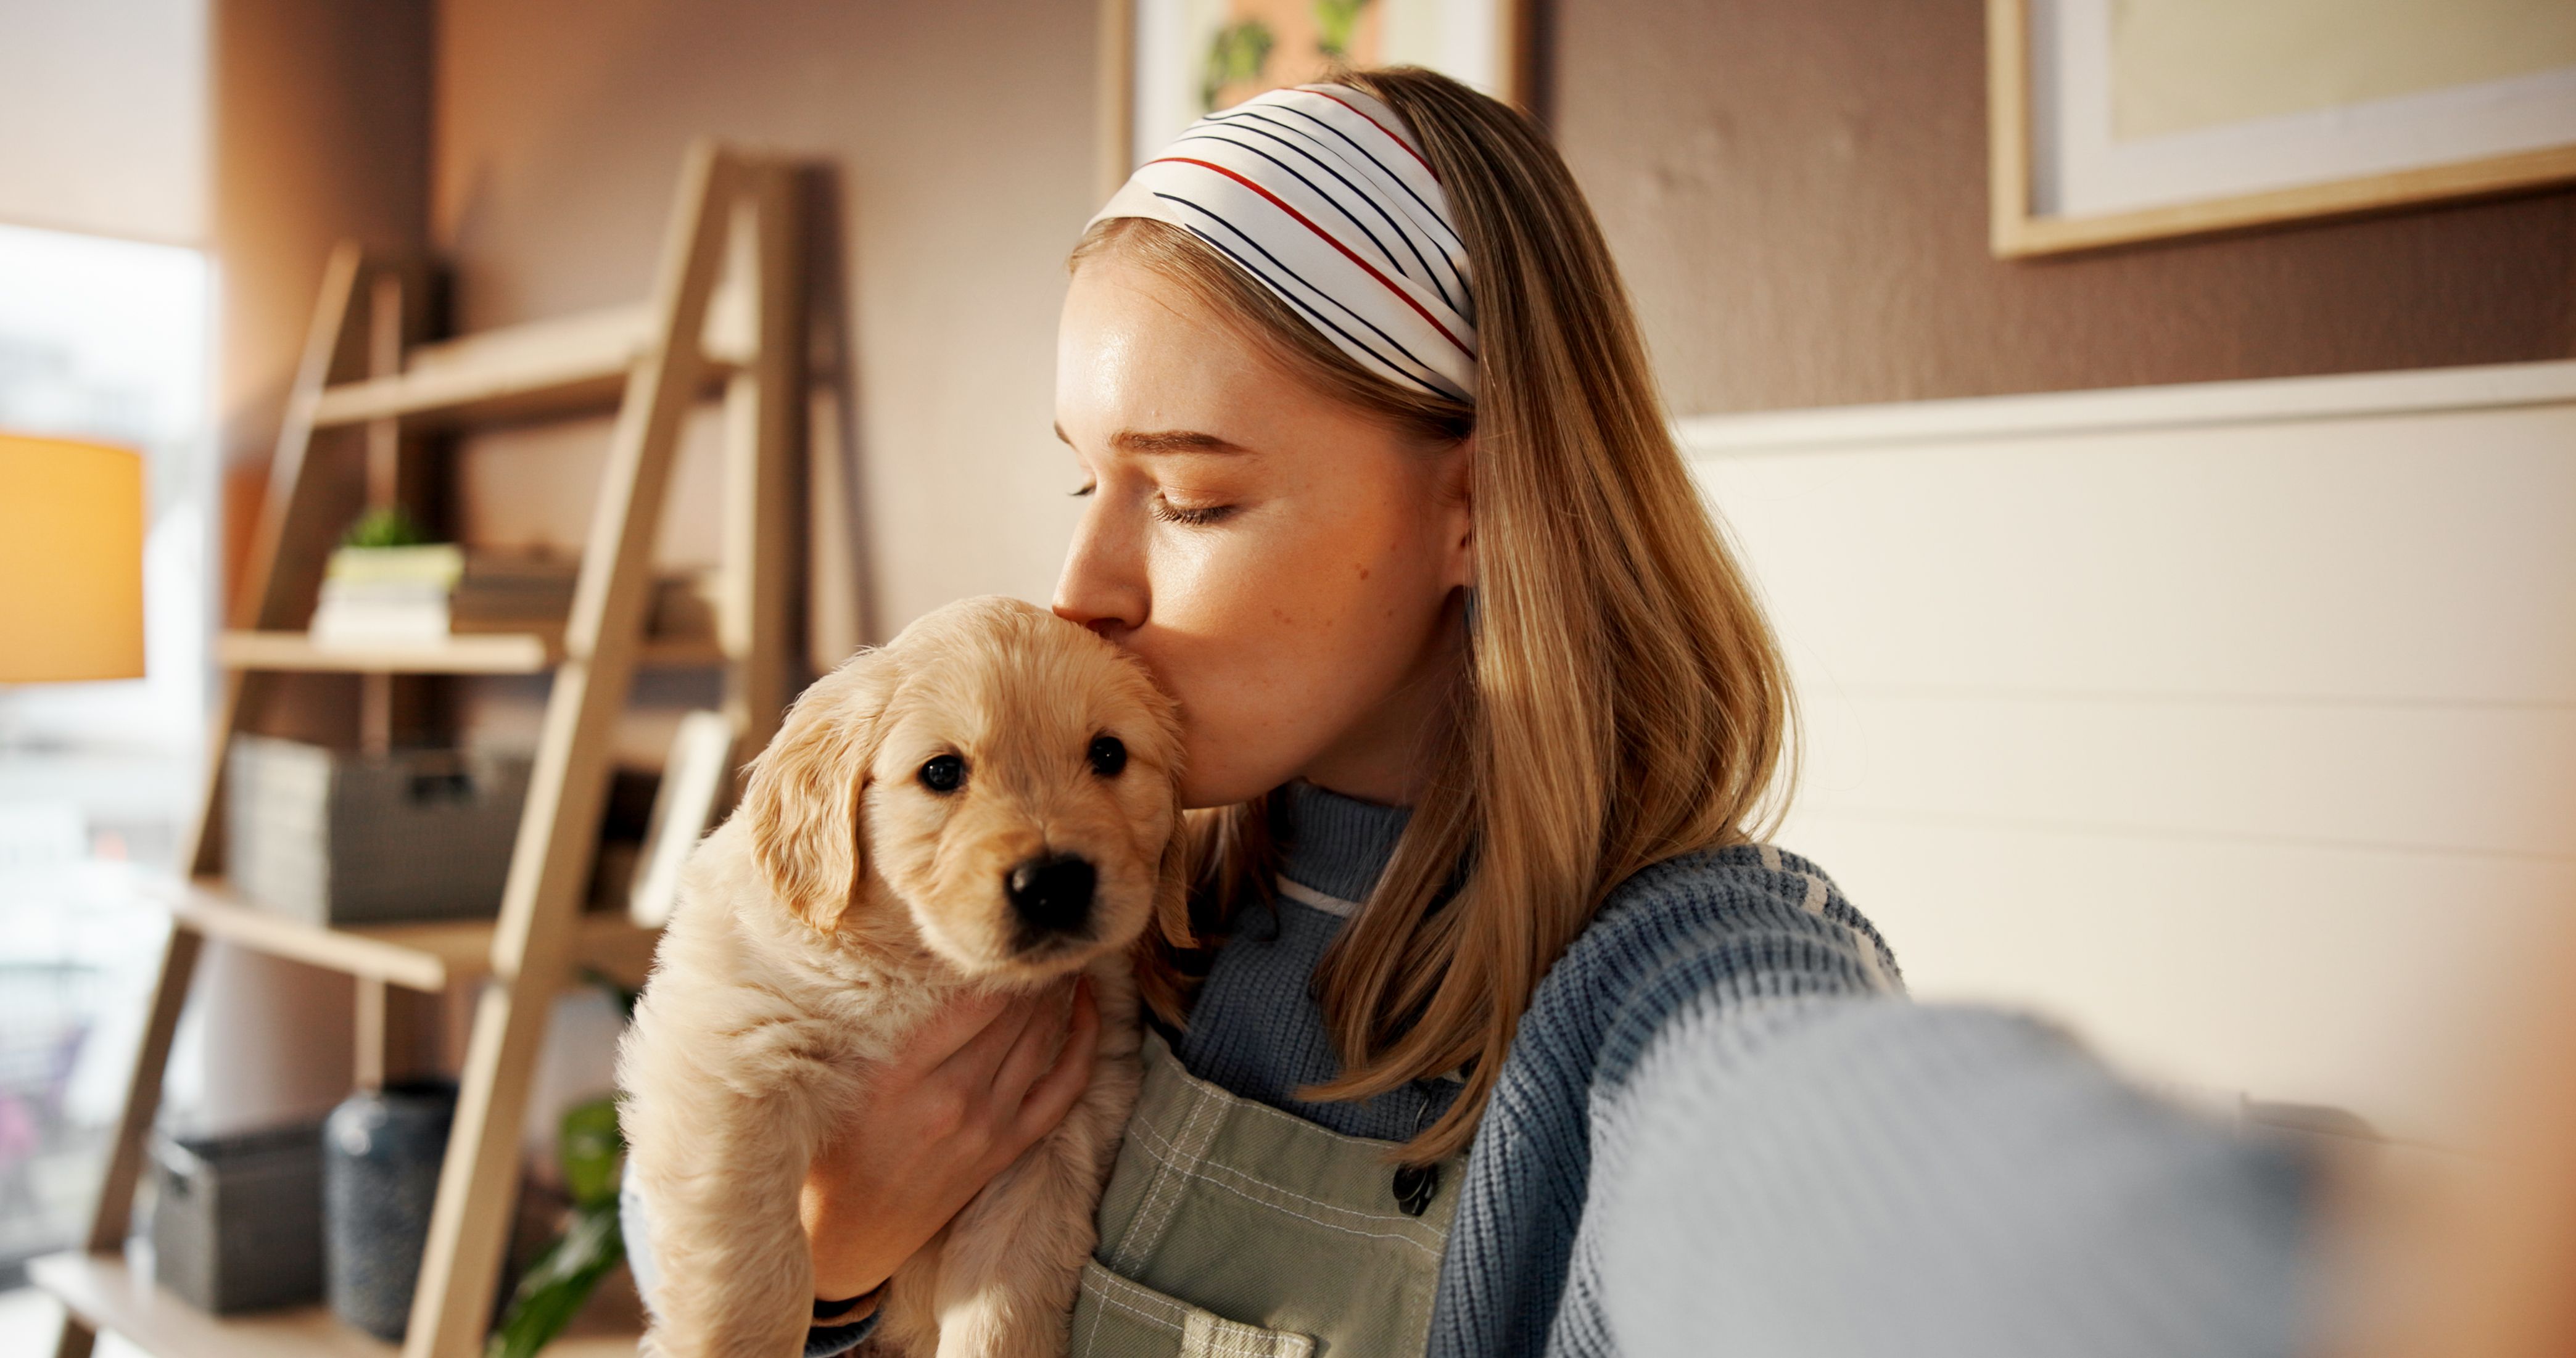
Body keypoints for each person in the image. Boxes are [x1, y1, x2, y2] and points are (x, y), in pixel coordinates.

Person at [624, 66, 2317, 1357]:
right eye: (1083, 480)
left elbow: (1882, 1207)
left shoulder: (1661, 984)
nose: (1083, 584)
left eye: (1193, 499)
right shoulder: (1134, 886)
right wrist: (842, 1263)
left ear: (1474, 513)